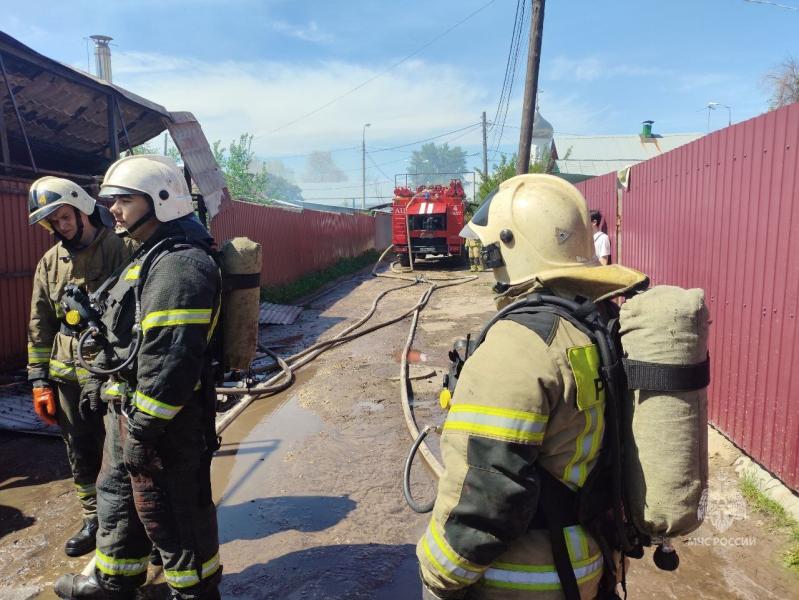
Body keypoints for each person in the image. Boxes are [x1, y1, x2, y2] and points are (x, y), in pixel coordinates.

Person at [416, 174, 646, 600]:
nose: (491, 267)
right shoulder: (596, 325)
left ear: (510, 247)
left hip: (523, 579)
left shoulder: (518, 345)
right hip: (589, 562)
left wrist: (436, 575)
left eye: (490, 254)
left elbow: (486, 490)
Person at [54, 155, 222, 600]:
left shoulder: (181, 265)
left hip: (164, 424)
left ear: (162, 200)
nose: (113, 210)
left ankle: (195, 593)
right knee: (118, 503)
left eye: (124, 200)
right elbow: (121, 335)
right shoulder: (147, 256)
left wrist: (145, 427)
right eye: (112, 201)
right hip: (129, 410)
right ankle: (113, 583)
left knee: (174, 517)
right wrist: (100, 386)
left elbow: (170, 359)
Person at [27, 176, 134, 557]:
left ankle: (135, 521)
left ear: (80, 207)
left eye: (63, 217)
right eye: (52, 222)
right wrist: (40, 381)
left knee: (123, 447)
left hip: (114, 371)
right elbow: (40, 323)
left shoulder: (122, 248)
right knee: (80, 449)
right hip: (66, 375)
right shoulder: (50, 262)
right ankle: (94, 518)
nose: (60, 226)